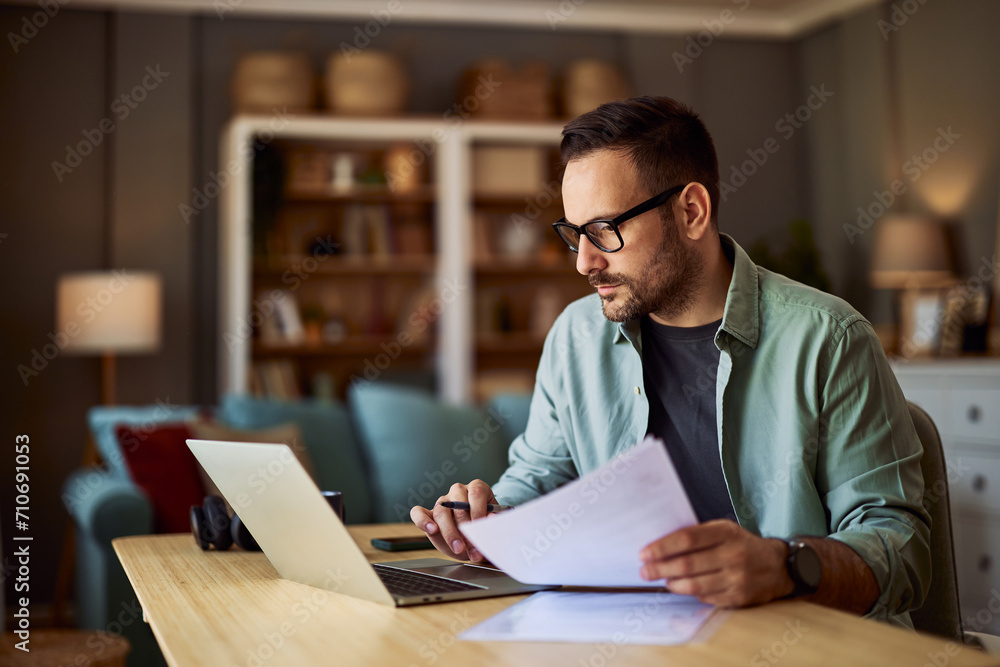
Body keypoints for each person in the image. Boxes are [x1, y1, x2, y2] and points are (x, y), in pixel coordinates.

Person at [410, 96, 930, 628]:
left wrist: (785, 566)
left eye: (605, 229)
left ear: (691, 211)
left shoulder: (830, 339)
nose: (584, 261)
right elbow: (540, 478)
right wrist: (488, 522)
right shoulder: (575, 336)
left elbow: (902, 551)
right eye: (573, 233)